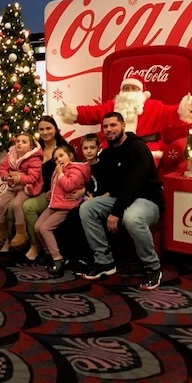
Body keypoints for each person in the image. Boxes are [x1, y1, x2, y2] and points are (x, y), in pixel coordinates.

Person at [79, 111, 164, 290]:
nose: (109, 129)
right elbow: (107, 184)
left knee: (131, 218)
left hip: (146, 198)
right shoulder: (108, 153)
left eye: (113, 125)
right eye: (106, 127)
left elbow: (133, 185)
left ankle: (152, 267)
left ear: (123, 126)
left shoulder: (138, 148)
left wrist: (115, 212)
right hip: (122, 198)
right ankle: (104, 261)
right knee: (87, 207)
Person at [56, 77, 192, 156]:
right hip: (115, 146)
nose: (129, 92)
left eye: (133, 89)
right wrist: (72, 112)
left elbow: (171, 113)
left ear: (141, 92)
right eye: (126, 89)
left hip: (147, 147)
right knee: (104, 160)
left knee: (145, 163)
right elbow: (91, 112)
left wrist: (185, 108)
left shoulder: (154, 106)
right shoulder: (112, 106)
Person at [7, 116, 74, 257]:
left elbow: (72, 174)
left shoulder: (63, 149)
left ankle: (36, 244)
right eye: (41, 129)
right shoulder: (35, 149)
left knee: (27, 206)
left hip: (53, 192)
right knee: (12, 205)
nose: (45, 132)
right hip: (32, 189)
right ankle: (16, 241)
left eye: (48, 128)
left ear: (55, 129)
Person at [28, 145, 91, 276]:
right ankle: (48, 252)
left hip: (66, 206)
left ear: (71, 156)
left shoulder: (76, 170)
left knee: (45, 228)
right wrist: (52, 192)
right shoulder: (59, 170)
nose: (58, 160)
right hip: (55, 203)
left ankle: (57, 258)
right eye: (56, 159)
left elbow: (68, 186)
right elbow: (58, 186)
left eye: (61, 156)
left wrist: (60, 173)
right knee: (37, 226)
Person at [55, 133, 108, 273]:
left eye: (92, 148)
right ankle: (71, 257)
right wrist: (82, 191)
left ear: (98, 148)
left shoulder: (103, 165)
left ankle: (85, 259)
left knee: (78, 221)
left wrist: (95, 198)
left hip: (99, 202)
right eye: (85, 148)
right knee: (68, 222)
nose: (89, 151)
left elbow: (110, 188)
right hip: (82, 201)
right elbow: (78, 184)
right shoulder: (81, 166)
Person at [0, 132, 43, 248]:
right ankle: (0, 230)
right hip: (13, 186)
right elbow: (3, 168)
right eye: (18, 141)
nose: (19, 144)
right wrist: (6, 176)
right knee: (2, 204)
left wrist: (19, 177)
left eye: (24, 142)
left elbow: (33, 177)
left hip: (27, 187)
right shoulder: (11, 155)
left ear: (31, 147)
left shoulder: (34, 158)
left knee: (17, 204)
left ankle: (21, 232)